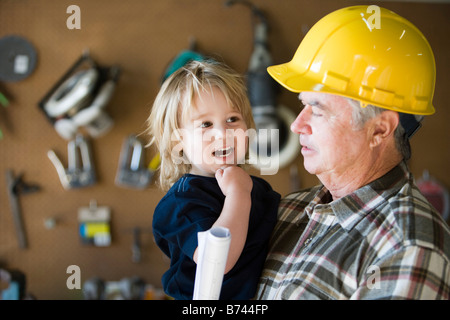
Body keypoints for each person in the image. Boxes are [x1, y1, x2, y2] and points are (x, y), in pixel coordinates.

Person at [256, 6, 450, 299]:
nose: (297, 125)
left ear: (380, 130)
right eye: (303, 105)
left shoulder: (407, 247)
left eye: (318, 111)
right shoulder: (289, 211)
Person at [146, 60, 280, 300]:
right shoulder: (180, 204)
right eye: (205, 124)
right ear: (178, 142)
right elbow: (217, 260)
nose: (223, 133)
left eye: (233, 119)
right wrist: (238, 195)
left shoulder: (259, 189)